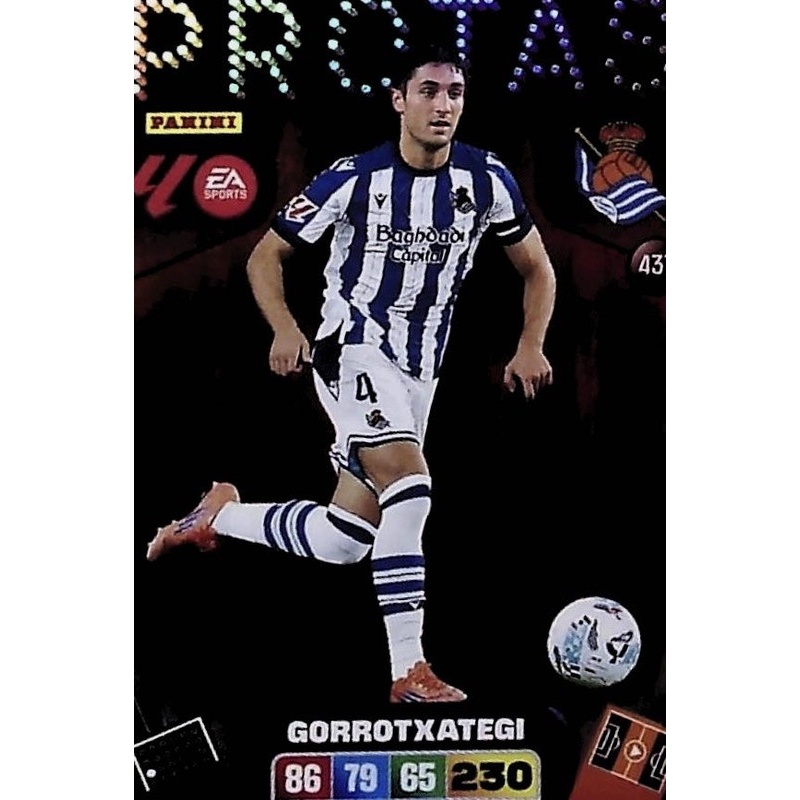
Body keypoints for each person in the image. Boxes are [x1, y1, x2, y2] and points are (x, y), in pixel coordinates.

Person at [147, 44, 556, 703]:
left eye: (454, 93)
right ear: (399, 100)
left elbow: (537, 267)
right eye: (428, 91)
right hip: (354, 349)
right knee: (412, 488)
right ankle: (407, 669)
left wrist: (530, 343)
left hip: (421, 371)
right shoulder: (353, 178)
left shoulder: (486, 179)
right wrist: (286, 327)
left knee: (345, 539)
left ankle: (219, 516)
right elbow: (264, 256)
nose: (443, 105)